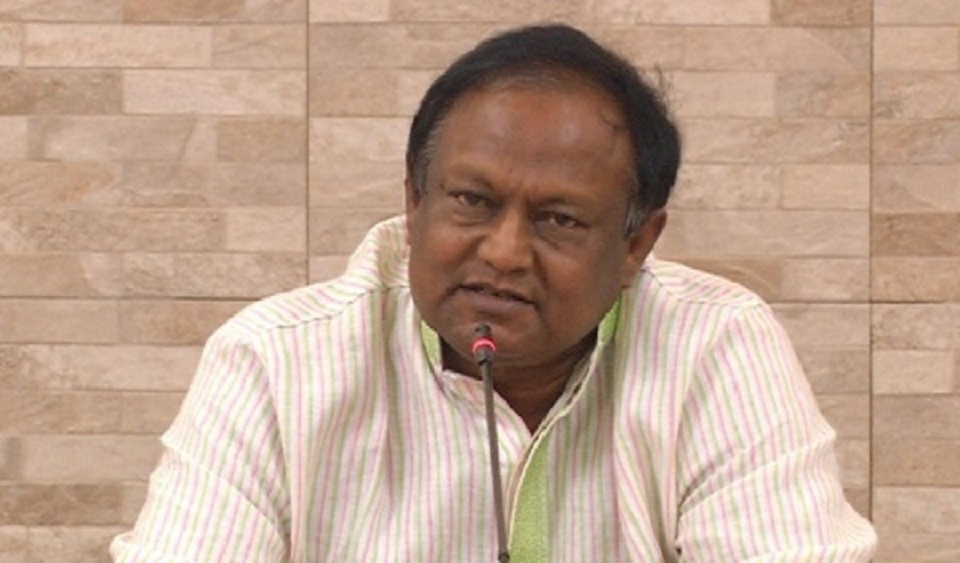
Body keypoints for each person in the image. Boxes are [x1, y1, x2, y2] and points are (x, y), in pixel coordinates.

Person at [112, 23, 877, 561]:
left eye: (558, 220)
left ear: (636, 245)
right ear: (414, 201)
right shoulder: (272, 361)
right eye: (472, 201)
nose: (504, 252)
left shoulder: (718, 346)